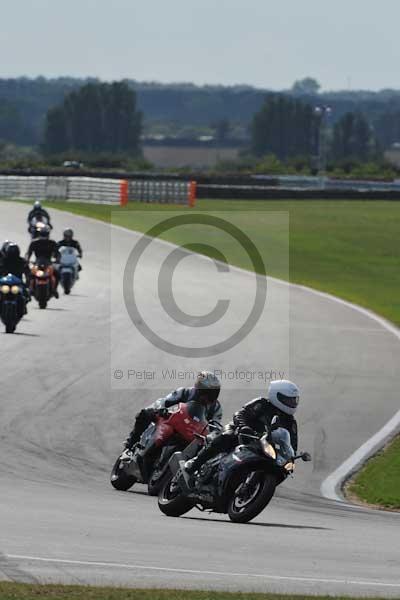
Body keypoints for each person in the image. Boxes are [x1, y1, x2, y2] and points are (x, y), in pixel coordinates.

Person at [183, 379, 300, 477]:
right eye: (288, 399)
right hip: (241, 432)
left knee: (282, 469)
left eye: (294, 400)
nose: (292, 403)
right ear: (276, 395)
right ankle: (195, 463)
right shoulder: (262, 404)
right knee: (226, 437)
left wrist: (290, 458)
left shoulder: (290, 421)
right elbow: (240, 414)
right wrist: (244, 427)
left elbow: (292, 444)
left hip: (263, 445)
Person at [124, 371, 222, 450]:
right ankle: (130, 444)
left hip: (193, 435)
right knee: (145, 413)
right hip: (174, 422)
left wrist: (212, 435)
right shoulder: (185, 392)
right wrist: (161, 409)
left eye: (212, 394)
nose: (208, 398)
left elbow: (216, 427)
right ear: (199, 389)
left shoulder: (216, 408)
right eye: (207, 393)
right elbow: (164, 401)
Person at [26, 225, 60, 298]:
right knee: (29, 273)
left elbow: (57, 253)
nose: (43, 236)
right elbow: (28, 253)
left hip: (48, 263)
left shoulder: (52, 243)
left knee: (57, 273)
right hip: (37, 262)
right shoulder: (34, 242)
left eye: (45, 234)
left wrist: (57, 260)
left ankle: (54, 289)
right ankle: (30, 289)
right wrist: (27, 260)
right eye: (42, 234)